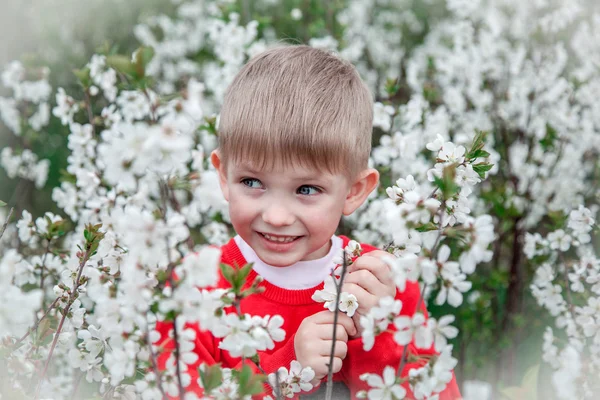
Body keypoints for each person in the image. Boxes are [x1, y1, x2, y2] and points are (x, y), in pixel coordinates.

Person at [157, 44, 462, 399]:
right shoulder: (192, 288)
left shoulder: (381, 286)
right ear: (223, 174)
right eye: (252, 182)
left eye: (306, 189)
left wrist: (380, 334)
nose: (276, 216)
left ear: (354, 191)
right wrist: (285, 372)